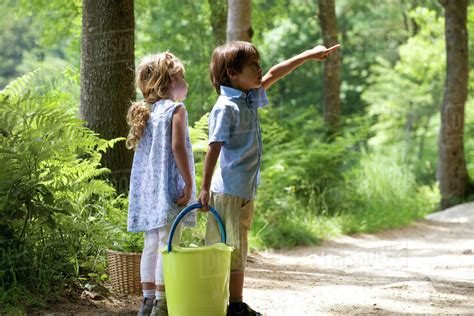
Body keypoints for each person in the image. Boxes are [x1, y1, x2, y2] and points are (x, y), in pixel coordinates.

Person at [199, 41, 340, 316]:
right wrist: (204, 188)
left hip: (243, 191)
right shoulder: (226, 107)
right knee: (226, 250)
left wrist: (308, 54)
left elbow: (275, 73)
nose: (260, 68)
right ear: (233, 73)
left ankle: (231, 304)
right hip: (228, 191)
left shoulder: (248, 97)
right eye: (253, 65)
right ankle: (230, 305)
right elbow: (213, 148)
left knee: (238, 247)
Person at [126, 52, 196, 316]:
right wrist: (188, 182)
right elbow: (177, 146)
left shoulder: (146, 112)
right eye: (181, 78)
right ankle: (162, 304)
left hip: (147, 191)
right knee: (169, 243)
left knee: (151, 244)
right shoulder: (176, 109)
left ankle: (147, 301)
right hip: (169, 189)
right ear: (167, 83)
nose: (186, 83)